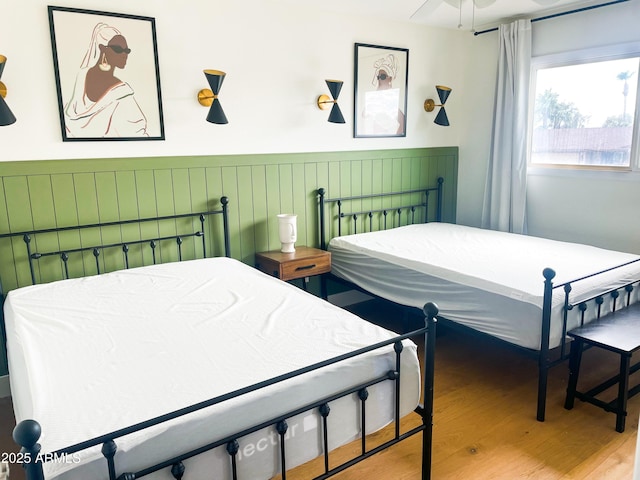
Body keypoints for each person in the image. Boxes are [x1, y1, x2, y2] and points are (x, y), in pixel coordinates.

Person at [64, 22, 149, 138]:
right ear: (102, 48)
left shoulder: (82, 74)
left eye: (127, 50)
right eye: (118, 49)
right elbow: (137, 133)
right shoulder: (122, 92)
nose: (124, 54)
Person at [361, 54, 406, 135]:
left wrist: (395, 138)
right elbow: (364, 115)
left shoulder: (392, 97)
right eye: (378, 77)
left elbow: (403, 122)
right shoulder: (375, 98)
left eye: (382, 76)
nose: (380, 80)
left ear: (390, 78)